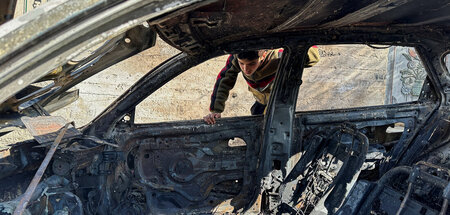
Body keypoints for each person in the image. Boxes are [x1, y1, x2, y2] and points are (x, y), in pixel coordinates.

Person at [203, 47, 320, 124]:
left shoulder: (278, 56)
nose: (245, 69)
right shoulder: (235, 57)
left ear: (263, 56)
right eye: (242, 64)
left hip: (277, 103)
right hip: (259, 101)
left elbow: (313, 58)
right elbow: (224, 80)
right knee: (256, 119)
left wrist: (294, 48)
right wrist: (215, 110)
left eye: (251, 64)